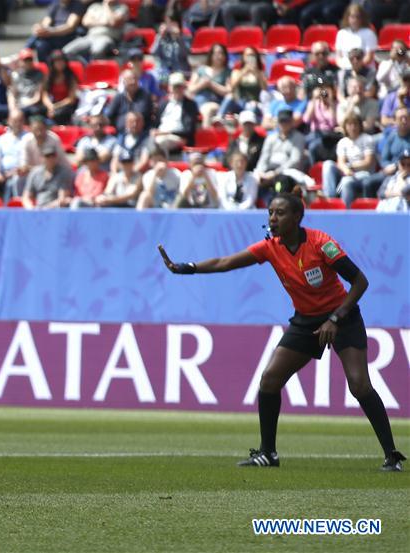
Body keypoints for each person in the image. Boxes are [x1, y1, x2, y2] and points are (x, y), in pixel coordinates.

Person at [158, 193, 406, 472]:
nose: (273, 218)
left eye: (280, 213)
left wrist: (335, 319)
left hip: (342, 318)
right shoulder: (270, 247)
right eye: (271, 213)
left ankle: (391, 455)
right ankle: (267, 453)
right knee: (270, 379)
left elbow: (360, 282)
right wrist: (186, 268)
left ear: (297, 217)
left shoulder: (321, 243)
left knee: (359, 385)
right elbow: (224, 262)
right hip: (306, 322)